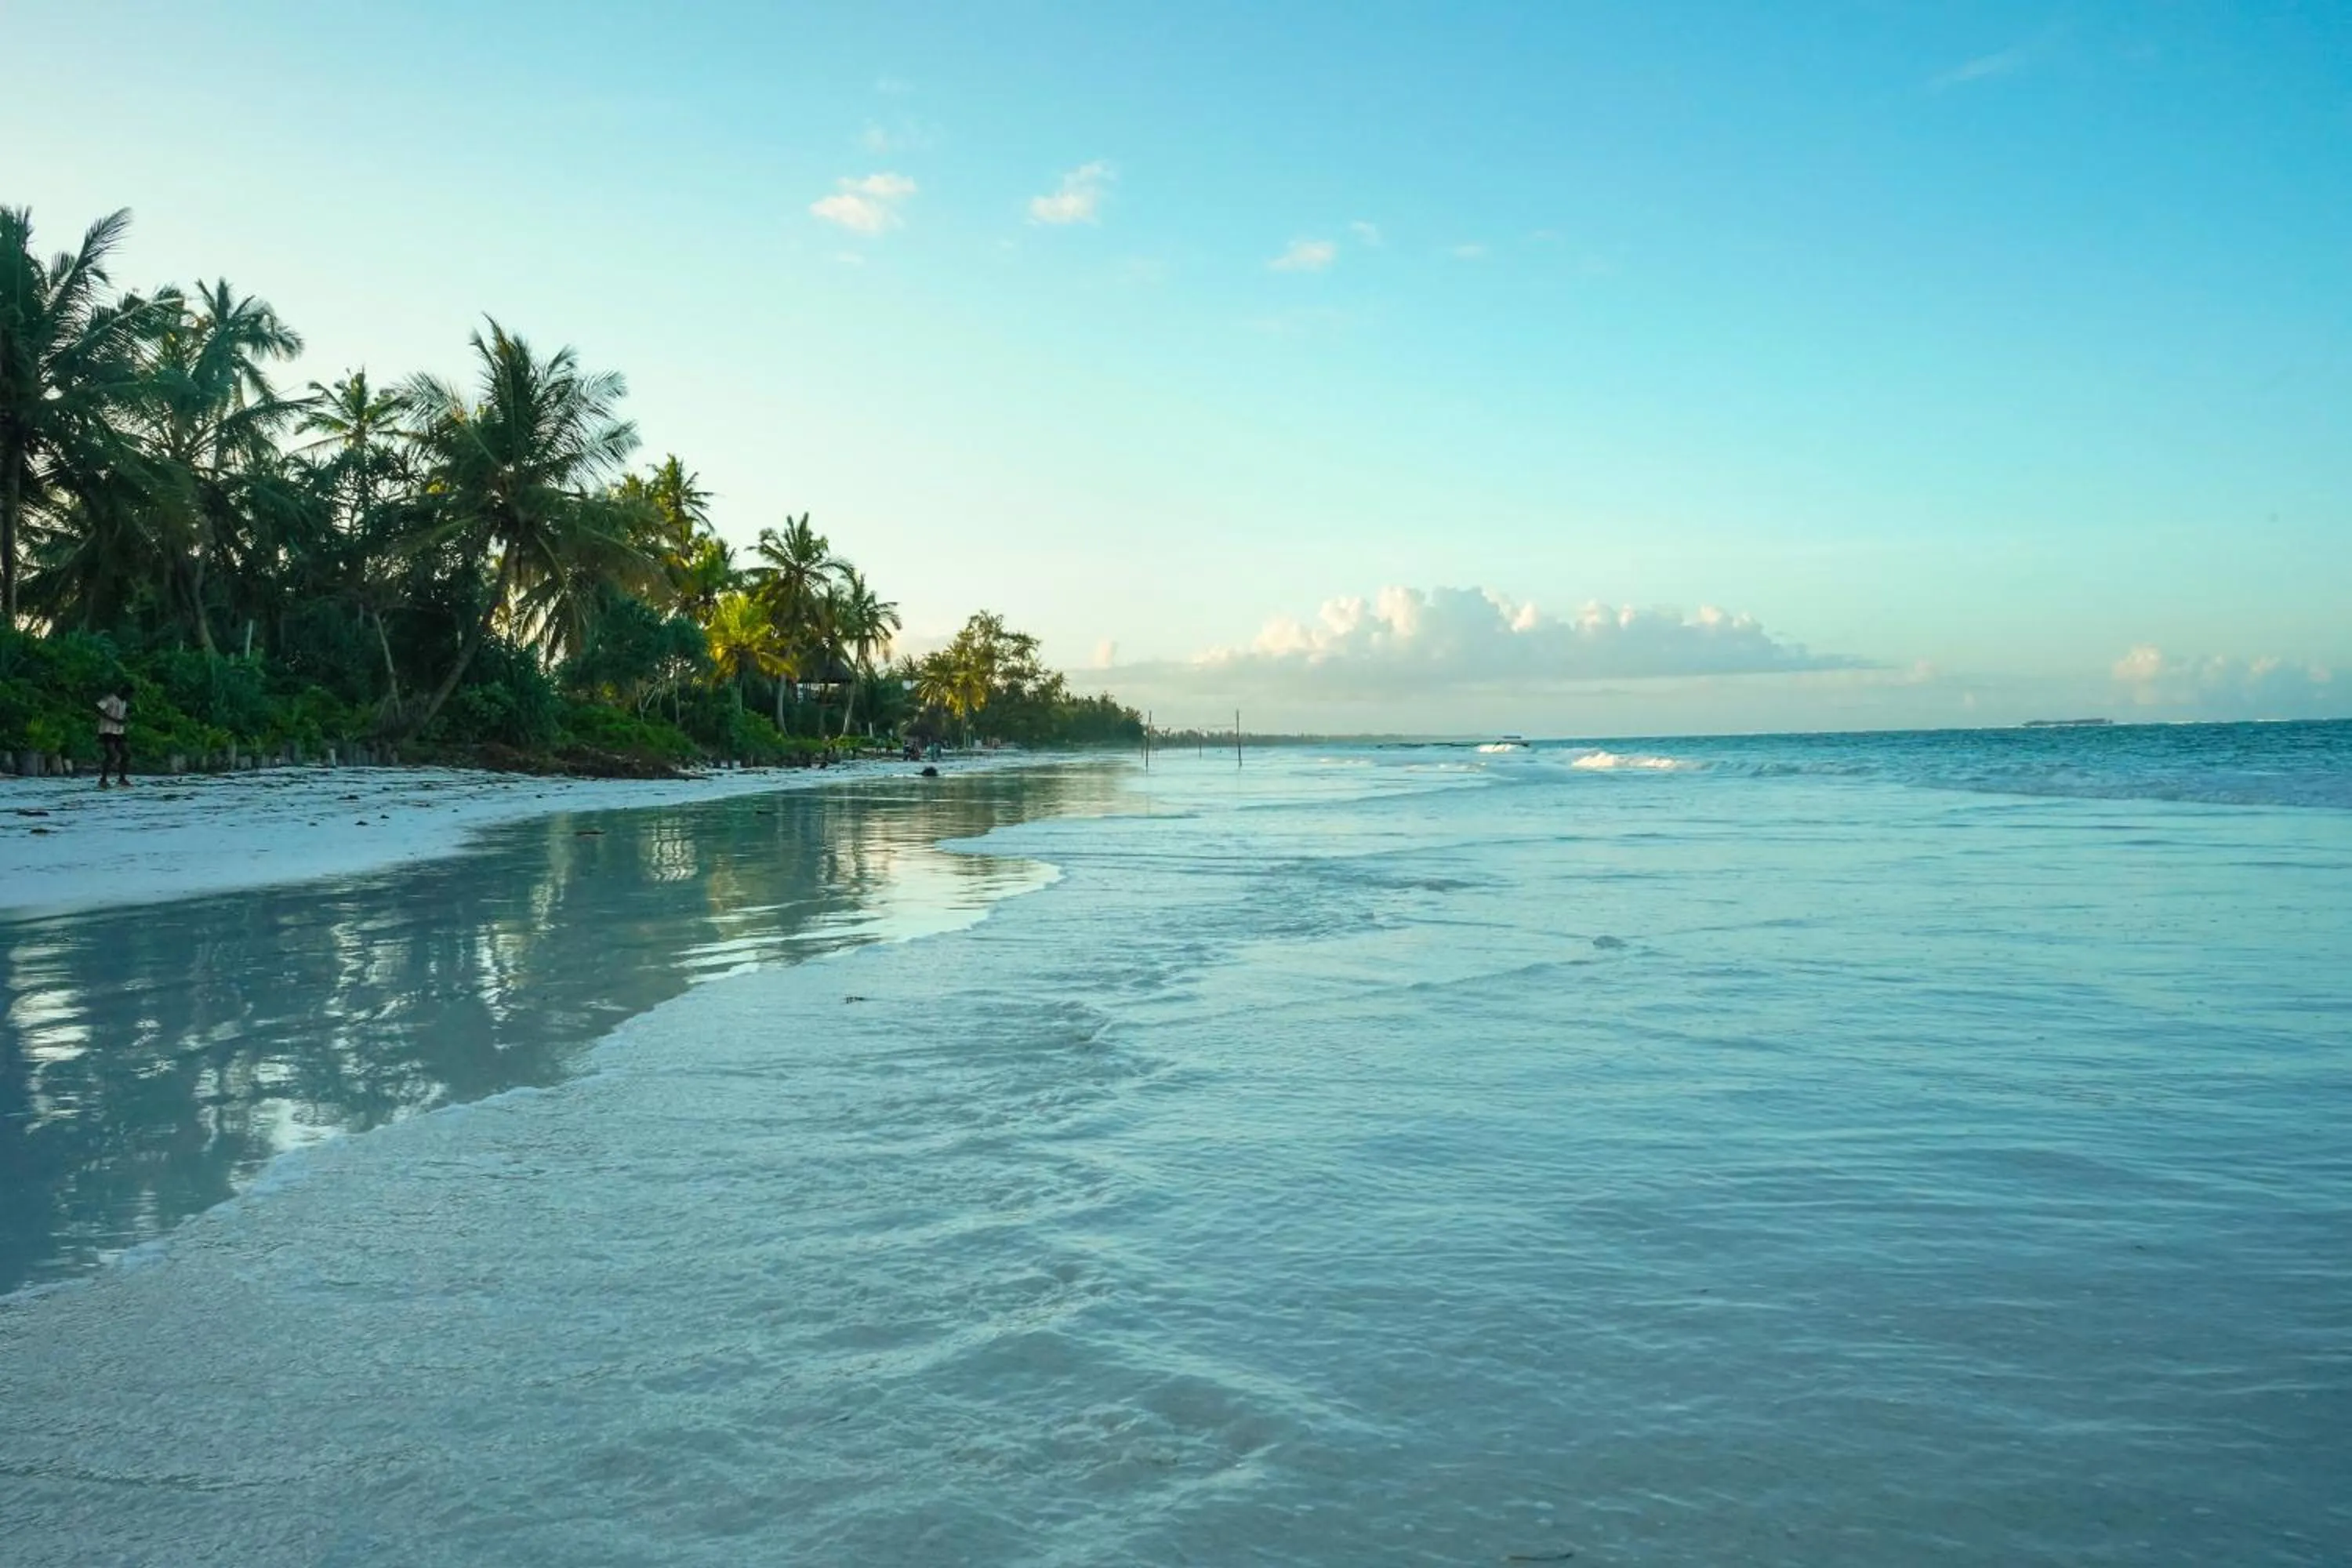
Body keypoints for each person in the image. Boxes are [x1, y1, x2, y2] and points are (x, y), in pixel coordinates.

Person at [95, 685, 131, 788]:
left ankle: (122, 779)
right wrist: (113, 719)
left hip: (119, 731)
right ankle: (103, 780)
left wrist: (125, 719)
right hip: (107, 730)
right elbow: (98, 708)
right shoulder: (110, 699)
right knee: (111, 755)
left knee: (126, 754)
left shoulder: (124, 702)